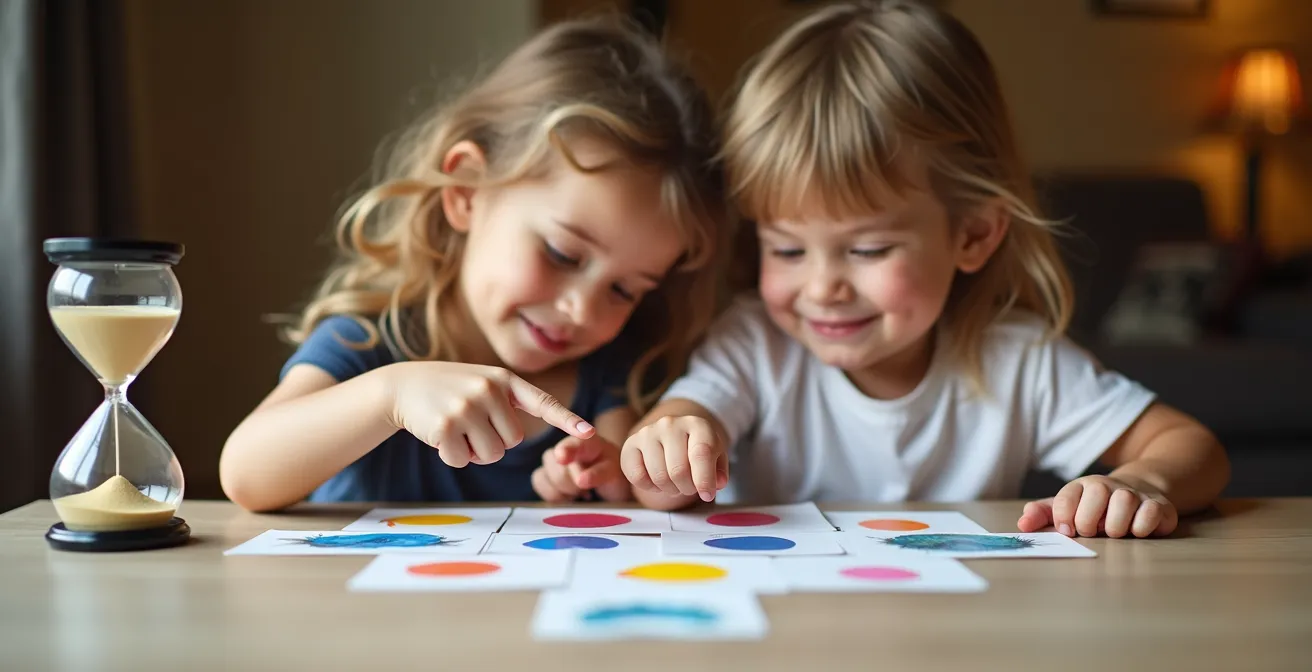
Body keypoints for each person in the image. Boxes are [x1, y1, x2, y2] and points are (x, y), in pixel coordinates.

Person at [620, 0, 1230, 538]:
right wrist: (671, 443)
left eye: (867, 250)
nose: (822, 287)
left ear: (972, 234)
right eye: (786, 249)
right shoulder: (755, 343)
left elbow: (1192, 447)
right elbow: (667, 460)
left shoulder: (1017, 361)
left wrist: (1144, 481)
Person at [220, 16, 729, 512]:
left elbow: (631, 494)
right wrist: (389, 396)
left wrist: (607, 470)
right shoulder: (366, 344)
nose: (580, 309)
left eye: (625, 289)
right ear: (466, 191)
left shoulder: (608, 370)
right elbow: (245, 475)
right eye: (562, 254)